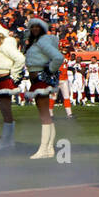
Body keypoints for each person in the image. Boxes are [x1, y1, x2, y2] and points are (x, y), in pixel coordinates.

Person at [23, 17, 65, 159]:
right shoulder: (36, 42)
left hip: (41, 78)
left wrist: (48, 71)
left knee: (44, 115)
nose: (34, 29)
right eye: (32, 27)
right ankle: (49, 148)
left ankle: (43, 149)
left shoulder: (42, 42)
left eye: (37, 27)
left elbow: (58, 58)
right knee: (46, 114)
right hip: (37, 79)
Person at [0, 22, 26, 151]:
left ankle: (7, 141)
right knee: (4, 111)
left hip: (4, 79)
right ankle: (8, 140)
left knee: (6, 111)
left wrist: (14, 76)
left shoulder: (5, 45)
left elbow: (20, 59)